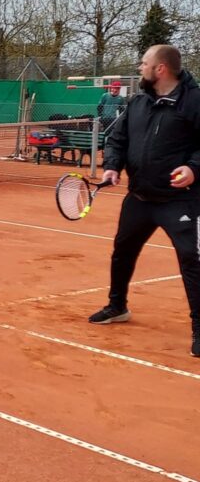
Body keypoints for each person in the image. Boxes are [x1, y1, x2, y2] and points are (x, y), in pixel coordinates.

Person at [88, 45, 200, 358]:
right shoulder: (137, 102)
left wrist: (193, 168)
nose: (140, 67)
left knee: (192, 260)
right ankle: (117, 306)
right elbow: (119, 139)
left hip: (181, 200)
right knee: (122, 252)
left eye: (144, 63)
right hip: (139, 197)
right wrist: (112, 165)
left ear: (160, 69)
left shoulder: (194, 101)